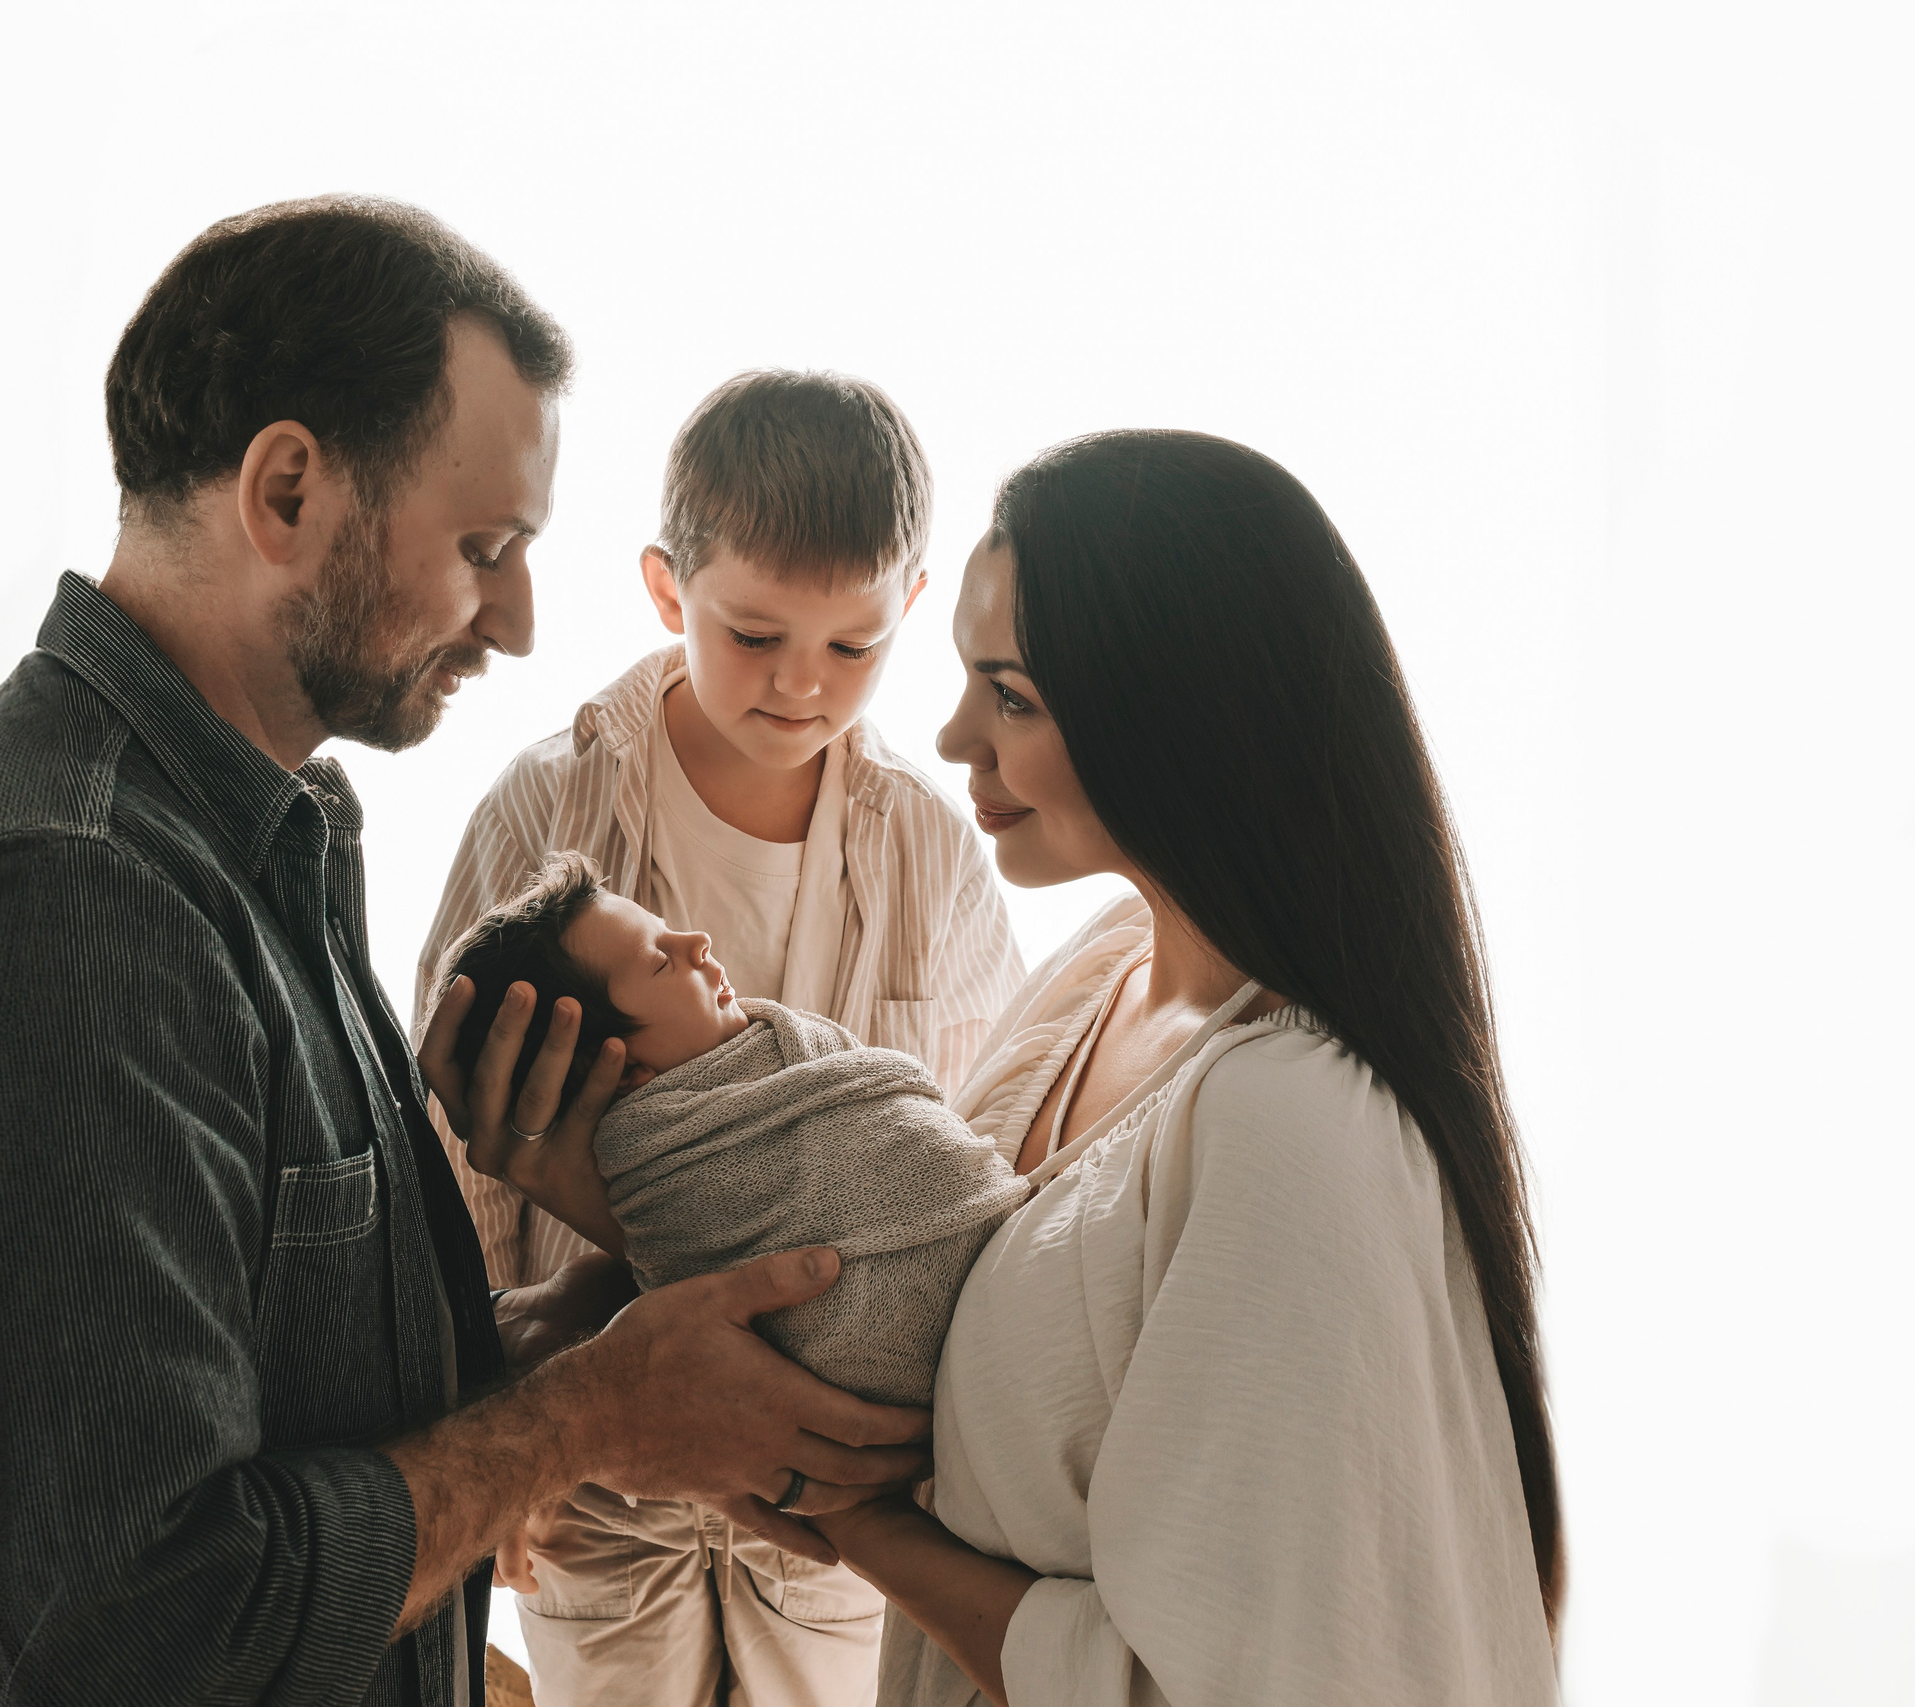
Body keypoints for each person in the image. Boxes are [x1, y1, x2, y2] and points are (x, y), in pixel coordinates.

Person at [0, 195, 928, 1707]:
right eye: (485, 546)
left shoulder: (265, 839)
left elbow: (278, 1419)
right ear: (285, 492)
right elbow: (140, 1629)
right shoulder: (73, 897)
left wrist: (590, 1315)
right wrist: (585, 1418)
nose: (523, 622)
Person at [443, 430, 1567, 1705]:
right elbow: (910, 1268)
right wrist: (607, 1239)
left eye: (1011, 695)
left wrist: (852, 1524)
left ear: (1177, 726)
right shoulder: (1098, 974)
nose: (951, 730)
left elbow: (1199, 1679)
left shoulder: (1289, 1125)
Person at [414, 370, 1022, 1706]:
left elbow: (973, 1147)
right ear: (663, 590)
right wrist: (482, 1429)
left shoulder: (928, 848)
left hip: (841, 1490)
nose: (803, 685)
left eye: (853, 648)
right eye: (753, 635)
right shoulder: (549, 808)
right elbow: (443, 1159)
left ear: (910, 608)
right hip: (602, 1481)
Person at [433, 852, 1027, 1407]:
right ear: (620, 1068)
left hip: (1005, 1267)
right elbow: (709, 1275)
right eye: (661, 961)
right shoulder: (659, 1162)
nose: (697, 942)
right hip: (930, 1349)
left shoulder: (784, 1042)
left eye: (671, 931)